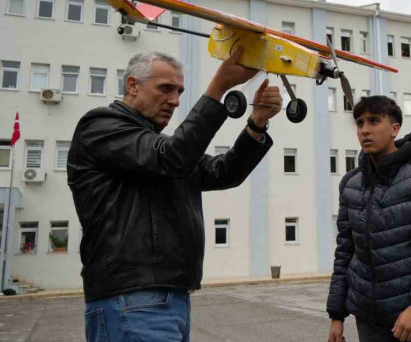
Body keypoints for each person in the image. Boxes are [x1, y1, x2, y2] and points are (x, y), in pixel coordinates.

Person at [68, 49, 281, 342]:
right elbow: (172, 158)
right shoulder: (101, 126)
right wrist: (218, 86)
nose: (175, 100)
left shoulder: (162, 147)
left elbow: (223, 172)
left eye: (179, 91)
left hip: (169, 300)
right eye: (165, 88)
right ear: (132, 85)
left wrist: (256, 123)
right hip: (131, 300)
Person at [326, 96, 411, 342]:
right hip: (369, 321)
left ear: (394, 128)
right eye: (360, 123)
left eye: (374, 121)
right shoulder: (351, 183)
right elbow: (345, 251)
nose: (365, 130)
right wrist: (336, 315)